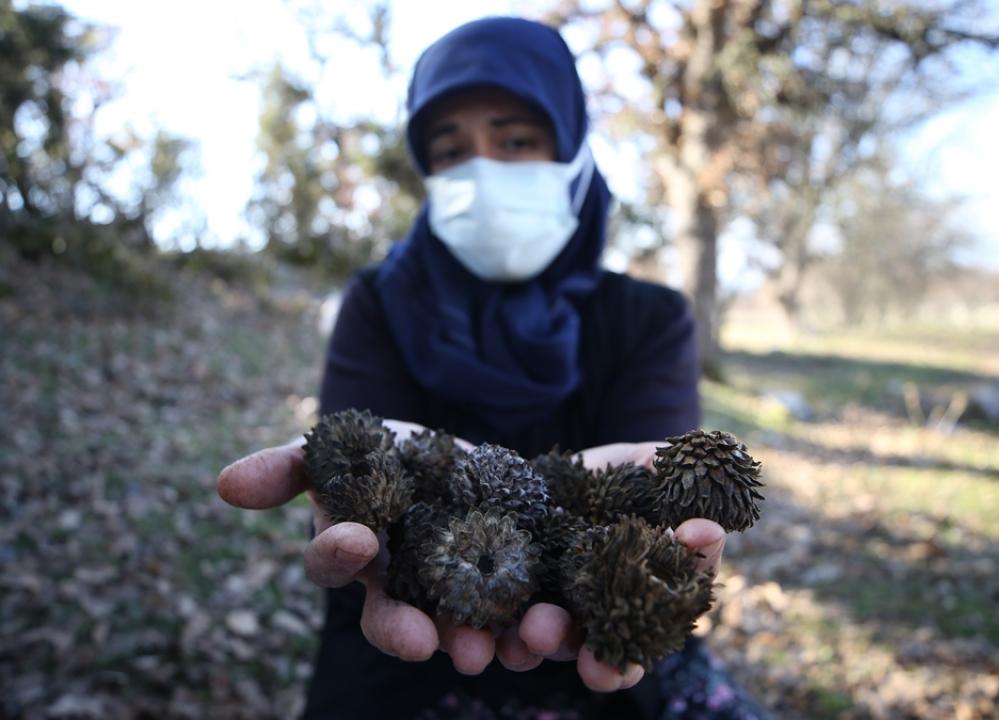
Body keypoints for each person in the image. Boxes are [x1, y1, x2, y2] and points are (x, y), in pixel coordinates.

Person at [217, 16, 767, 720]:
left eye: (514, 140)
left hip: (597, 668)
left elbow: (652, 500)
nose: (483, 169)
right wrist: (372, 501)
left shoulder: (649, 318)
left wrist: (623, 559)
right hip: (402, 661)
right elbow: (360, 484)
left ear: (567, 145)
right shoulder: (379, 304)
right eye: (451, 150)